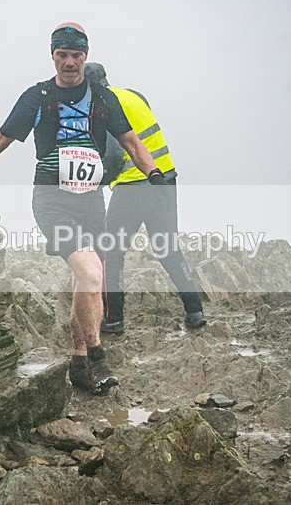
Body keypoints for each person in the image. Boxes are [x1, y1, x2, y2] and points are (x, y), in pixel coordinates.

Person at [0, 23, 166, 394]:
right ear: (53, 56)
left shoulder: (103, 99)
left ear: (85, 57)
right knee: (93, 273)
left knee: (86, 280)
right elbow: (1, 139)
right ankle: (96, 356)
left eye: (76, 55)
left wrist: (154, 173)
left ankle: (77, 361)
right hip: (51, 202)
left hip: (91, 201)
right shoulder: (38, 96)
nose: (70, 63)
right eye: (62, 55)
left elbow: (131, 142)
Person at [84, 63, 207, 333]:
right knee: (167, 249)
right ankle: (194, 310)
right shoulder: (134, 95)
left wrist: (96, 181)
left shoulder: (101, 106)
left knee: (111, 253)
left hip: (132, 187)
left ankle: (113, 319)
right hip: (164, 180)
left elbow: (115, 158)